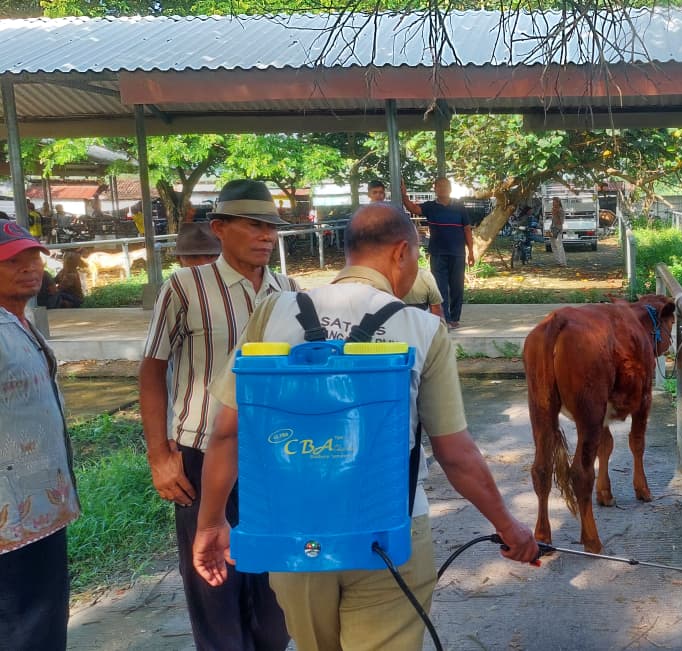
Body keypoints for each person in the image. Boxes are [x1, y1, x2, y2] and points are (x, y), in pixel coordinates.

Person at [192, 202, 539, 651]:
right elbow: (456, 454)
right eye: (417, 257)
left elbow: (226, 431)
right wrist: (510, 528)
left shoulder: (274, 310)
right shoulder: (423, 329)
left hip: (293, 536)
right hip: (388, 533)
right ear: (401, 253)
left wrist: (210, 524)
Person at [139, 180, 294, 651]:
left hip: (273, 455)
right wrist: (159, 454)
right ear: (219, 228)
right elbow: (152, 369)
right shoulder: (185, 287)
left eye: (272, 227)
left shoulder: (287, 291)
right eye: (254, 225)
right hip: (200, 453)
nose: (266, 236)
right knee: (214, 586)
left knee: (274, 591)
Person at [0, 222, 81, 651]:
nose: (29, 267)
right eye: (12, 260)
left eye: (32, 256)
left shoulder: (18, 321)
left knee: (43, 625)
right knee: (24, 630)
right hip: (9, 522)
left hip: (39, 514)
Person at [401, 177, 475, 329]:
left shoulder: (459, 206)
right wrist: (404, 194)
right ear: (434, 189)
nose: (443, 189)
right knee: (440, 287)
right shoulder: (430, 207)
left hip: (458, 253)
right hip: (438, 253)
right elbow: (413, 208)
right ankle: (445, 319)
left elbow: (467, 229)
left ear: (450, 188)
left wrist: (471, 252)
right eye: (439, 186)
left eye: (446, 186)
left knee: (457, 287)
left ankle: (454, 318)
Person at [549, 197, 567, 266]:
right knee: (553, 245)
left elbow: (561, 222)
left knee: (559, 246)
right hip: (552, 228)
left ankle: (563, 262)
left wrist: (555, 213)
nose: (553, 203)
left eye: (554, 202)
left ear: (558, 202)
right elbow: (553, 221)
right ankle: (558, 261)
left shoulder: (560, 210)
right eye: (553, 202)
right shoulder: (553, 210)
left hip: (558, 229)